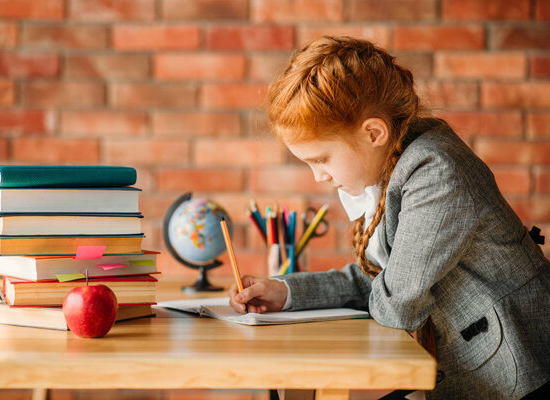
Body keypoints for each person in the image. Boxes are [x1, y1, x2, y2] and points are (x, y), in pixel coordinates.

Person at [227, 36, 550, 400]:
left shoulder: (436, 173)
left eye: (321, 159)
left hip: (518, 377)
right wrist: (286, 291)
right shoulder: (396, 166)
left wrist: (379, 293)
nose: (318, 176)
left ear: (373, 133)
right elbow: (385, 282)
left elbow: (396, 302)